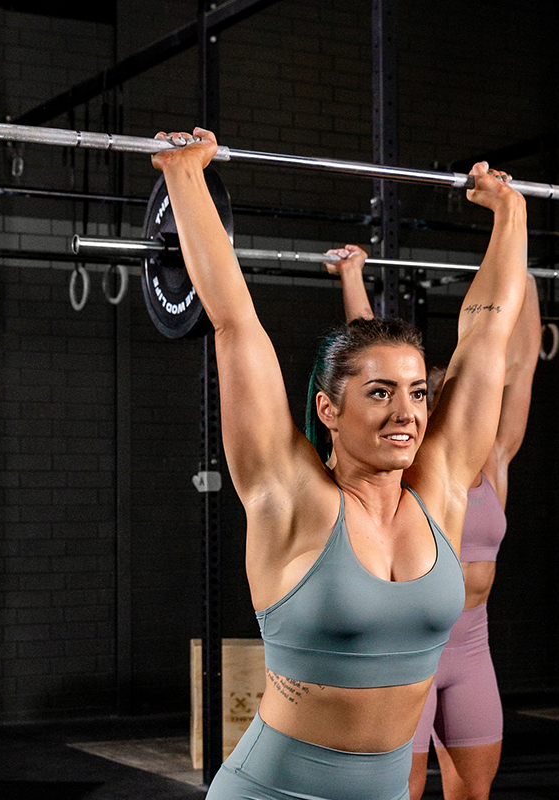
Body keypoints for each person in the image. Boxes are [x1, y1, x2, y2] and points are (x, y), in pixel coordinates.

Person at [151, 128, 528, 800]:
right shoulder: (290, 497)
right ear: (328, 410)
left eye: (415, 393)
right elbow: (235, 321)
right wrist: (186, 178)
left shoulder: (440, 491)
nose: (407, 413)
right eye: (378, 393)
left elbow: (488, 333)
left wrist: (511, 214)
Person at [325, 248, 541, 800]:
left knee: (474, 789)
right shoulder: (414, 476)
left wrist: (519, 268)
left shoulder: (492, 462)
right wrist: (352, 276)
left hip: (472, 648)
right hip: (407, 652)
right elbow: (368, 355)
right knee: (404, 791)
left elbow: (521, 363)